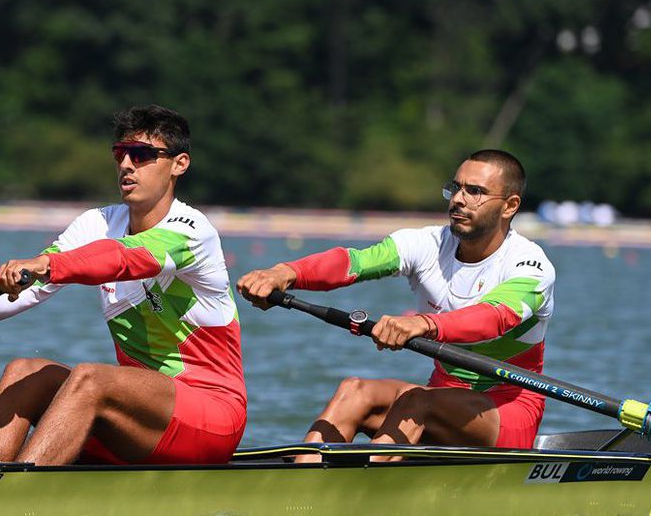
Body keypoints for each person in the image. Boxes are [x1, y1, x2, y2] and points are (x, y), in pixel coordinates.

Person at [0, 105, 245, 466]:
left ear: (179, 164)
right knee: (24, 371)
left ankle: (17, 497)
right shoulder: (97, 223)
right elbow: (30, 287)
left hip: (211, 418)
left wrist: (47, 263)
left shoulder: (192, 231)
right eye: (120, 154)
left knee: (91, 378)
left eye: (141, 155)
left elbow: (124, 258)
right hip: (138, 419)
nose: (126, 165)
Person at [237, 150, 554, 462]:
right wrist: (286, 272)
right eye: (455, 187)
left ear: (510, 206)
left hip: (505, 410)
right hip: (441, 397)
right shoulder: (428, 244)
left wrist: (425, 324)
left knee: (416, 401)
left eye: (475, 192)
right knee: (355, 391)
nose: (458, 199)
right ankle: (303, 481)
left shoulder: (530, 266)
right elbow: (356, 262)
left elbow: (495, 318)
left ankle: (358, 489)